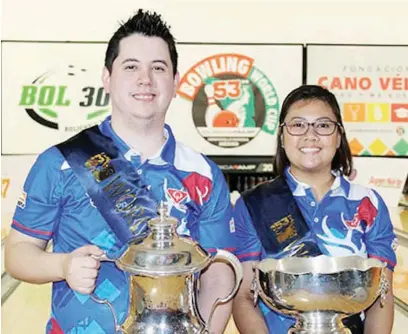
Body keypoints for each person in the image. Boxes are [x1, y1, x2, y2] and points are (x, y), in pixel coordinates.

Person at [5, 9, 236, 334]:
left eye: (159, 68)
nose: (146, 79)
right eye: (131, 67)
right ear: (106, 78)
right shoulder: (59, 162)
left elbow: (218, 270)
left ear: (176, 81)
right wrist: (63, 264)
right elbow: (17, 254)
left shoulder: (203, 173)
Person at [232, 84, 397, 334]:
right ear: (282, 136)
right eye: (298, 125)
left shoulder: (368, 202)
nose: (310, 135)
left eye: (323, 125)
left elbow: (383, 295)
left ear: (338, 136)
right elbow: (244, 296)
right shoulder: (253, 204)